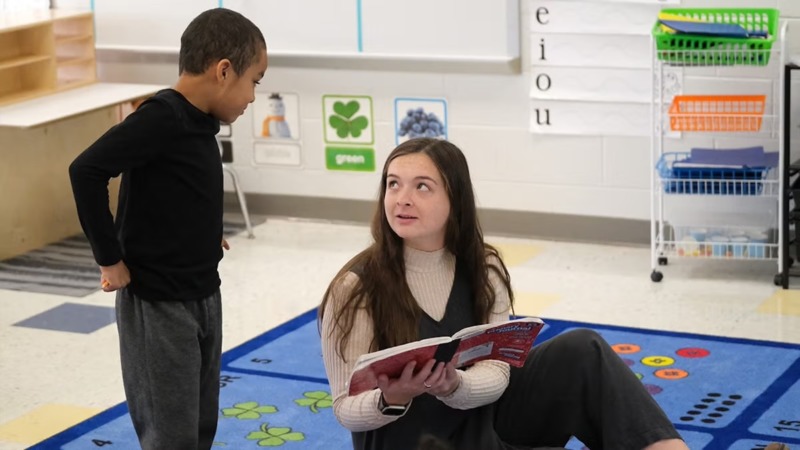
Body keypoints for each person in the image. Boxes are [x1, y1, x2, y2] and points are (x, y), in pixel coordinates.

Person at [319, 138, 690, 450]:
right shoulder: (353, 287)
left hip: (482, 425)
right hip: (410, 441)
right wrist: (392, 398)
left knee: (581, 349)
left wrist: (456, 385)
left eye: (422, 186)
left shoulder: (484, 268)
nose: (402, 199)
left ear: (455, 199)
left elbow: (498, 373)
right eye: (393, 184)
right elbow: (344, 407)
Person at [68, 8, 267, 449]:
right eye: (254, 81)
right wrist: (109, 257)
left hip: (201, 291)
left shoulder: (198, 122)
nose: (253, 96)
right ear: (223, 71)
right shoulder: (161, 117)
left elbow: (174, 187)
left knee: (199, 425)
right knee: (170, 432)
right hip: (159, 303)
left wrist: (204, 230)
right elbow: (86, 170)